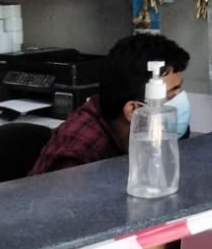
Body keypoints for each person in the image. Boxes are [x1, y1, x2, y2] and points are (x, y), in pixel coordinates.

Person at [28, 33, 191, 176]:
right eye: (171, 94)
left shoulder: (129, 127)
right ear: (133, 110)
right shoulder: (79, 153)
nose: (179, 100)